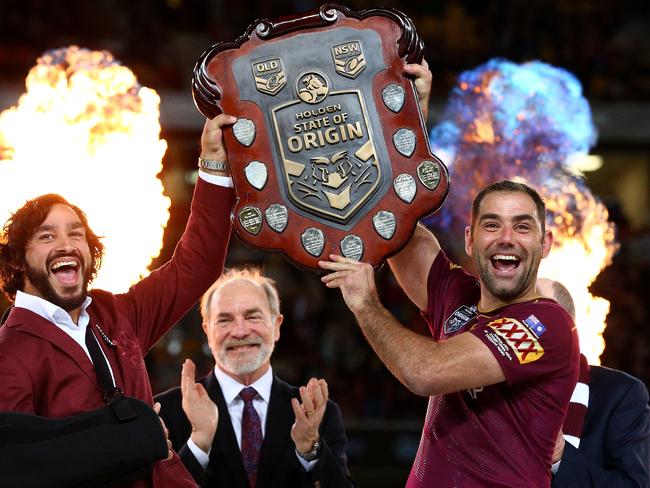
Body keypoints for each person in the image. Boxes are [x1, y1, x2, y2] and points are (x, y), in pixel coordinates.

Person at [0, 113, 237, 487]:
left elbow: (196, 265)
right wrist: (128, 438)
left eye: (77, 233)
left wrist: (213, 163)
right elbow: (19, 469)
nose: (66, 244)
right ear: (17, 260)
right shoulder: (9, 354)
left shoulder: (116, 312)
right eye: (46, 237)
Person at [320, 179, 581, 486]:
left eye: (522, 227)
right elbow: (393, 225)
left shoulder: (547, 323)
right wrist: (363, 172)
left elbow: (425, 372)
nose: (507, 238)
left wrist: (365, 303)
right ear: (470, 240)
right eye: (492, 225)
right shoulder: (459, 297)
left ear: (545, 243)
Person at [155, 267, 356, 487]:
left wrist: (310, 448)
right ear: (207, 331)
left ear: (276, 326)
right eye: (224, 320)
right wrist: (198, 443)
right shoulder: (166, 411)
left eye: (253, 317)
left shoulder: (318, 413)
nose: (240, 331)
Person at [536, 278, 650, 487]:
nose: (527, 330)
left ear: (569, 327)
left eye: (538, 320)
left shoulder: (619, 394)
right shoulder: (486, 391)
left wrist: (559, 454)